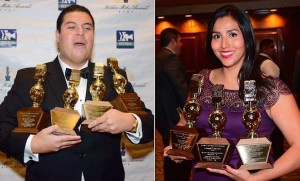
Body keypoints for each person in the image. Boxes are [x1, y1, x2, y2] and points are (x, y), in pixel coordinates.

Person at [0, 5, 153, 181]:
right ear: (58, 36)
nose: (80, 32)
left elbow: (148, 123)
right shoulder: (29, 78)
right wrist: (32, 144)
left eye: (87, 28)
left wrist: (131, 122)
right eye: (71, 27)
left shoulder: (115, 77)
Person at [164, 4, 300, 181]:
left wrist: (255, 178)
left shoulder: (270, 87)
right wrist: (177, 147)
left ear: (247, 38)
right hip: (204, 176)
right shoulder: (201, 80)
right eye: (216, 36)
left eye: (233, 34)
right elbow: (184, 122)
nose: (223, 44)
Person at [155, 28, 190, 181]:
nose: (181, 45)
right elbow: (181, 89)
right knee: (178, 155)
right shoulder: (170, 58)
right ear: (173, 41)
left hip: (162, 115)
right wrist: (191, 111)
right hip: (173, 117)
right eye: (180, 41)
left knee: (169, 152)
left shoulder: (158, 57)